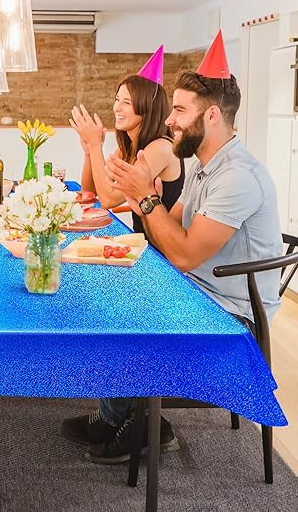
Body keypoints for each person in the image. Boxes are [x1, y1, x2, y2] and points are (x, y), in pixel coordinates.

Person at [63, 32, 283, 466]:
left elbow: (180, 254)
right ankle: (120, 417)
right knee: (105, 292)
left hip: (231, 315)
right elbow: (171, 229)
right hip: (199, 290)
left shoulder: (237, 177)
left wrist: (145, 198)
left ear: (212, 115)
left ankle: (144, 427)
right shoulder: (204, 167)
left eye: (180, 110)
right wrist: (141, 200)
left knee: (121, 310)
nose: (170, 120)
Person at [69, 45, 184, 236]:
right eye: (117, 99)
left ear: (147, 108)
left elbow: (108, 200)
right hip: (140, 239)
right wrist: (90, 152)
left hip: (159, 248)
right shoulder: (129, 146)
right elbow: (90, 194)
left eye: (127, 103)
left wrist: (96, 146)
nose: (117, 108)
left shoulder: (161, 148)